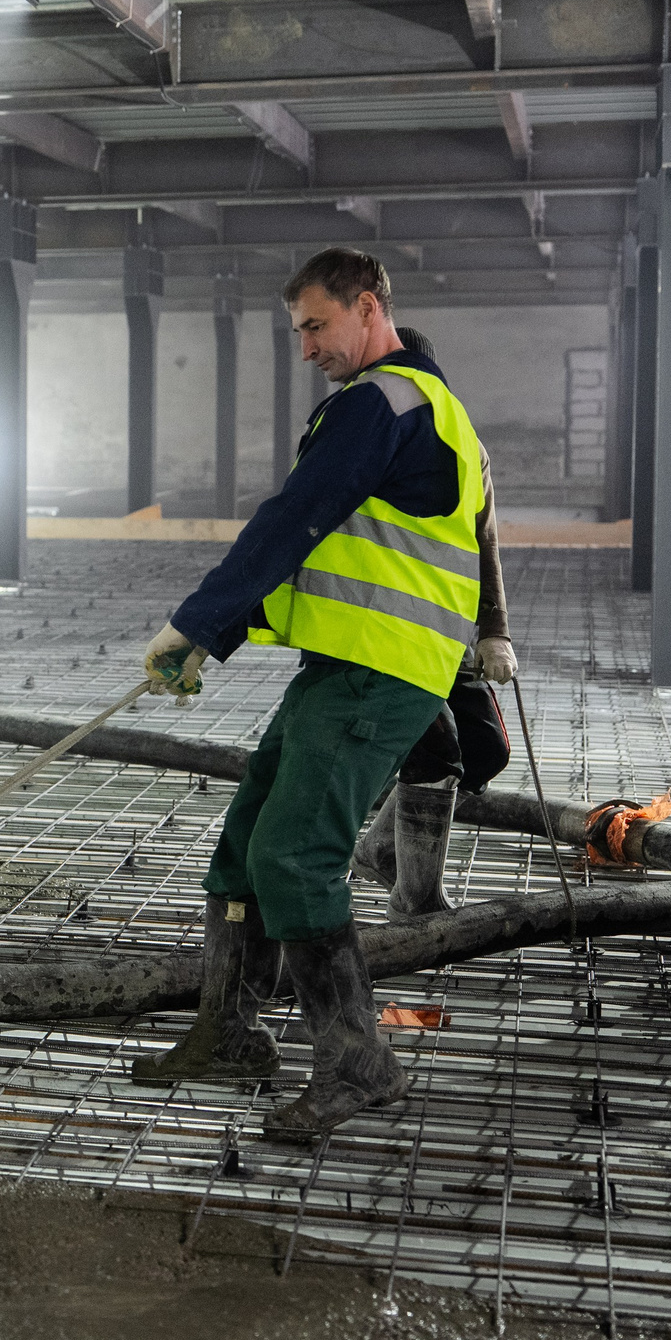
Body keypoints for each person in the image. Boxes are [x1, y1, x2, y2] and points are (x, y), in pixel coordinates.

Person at [132, 248, 487, 1146]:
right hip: (344, 664)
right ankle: (229, 1031)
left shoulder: (385, 402)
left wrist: (197, 624)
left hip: (382, 668)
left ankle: (358, 1059)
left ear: (369, 308)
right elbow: (331, 547)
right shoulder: (416, 408)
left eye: (316, 327)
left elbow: (296, 517)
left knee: (293, 855)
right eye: (298, 332)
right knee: (248, 844)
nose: (305, 348)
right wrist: (224, 631)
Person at [348, 325, 518, 920]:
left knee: (484, 750)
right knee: (438, 749)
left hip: (441, 629)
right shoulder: (359, 433)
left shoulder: (460, 441)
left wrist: (493, 629)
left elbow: (484, 537)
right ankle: (417, 899)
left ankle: (380, 852)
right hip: (382, 632)